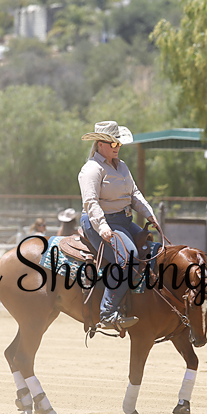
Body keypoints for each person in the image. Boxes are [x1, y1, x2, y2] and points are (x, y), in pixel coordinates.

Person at [78, 120, 158, 330]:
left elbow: (134, 194)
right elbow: (91, 202)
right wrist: (103, 227)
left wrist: (149, 214)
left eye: (118, 143)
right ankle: (107, 312)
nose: (117, 147)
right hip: (100, 222)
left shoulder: (121, 166)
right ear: (100, 144)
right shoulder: (91, 169)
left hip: (123, 221)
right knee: (128, 259)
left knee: (154, 250)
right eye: (112, 143)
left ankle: (143, 304)